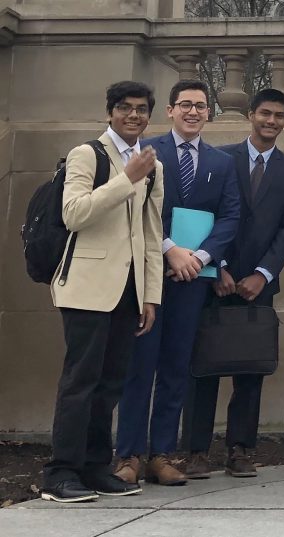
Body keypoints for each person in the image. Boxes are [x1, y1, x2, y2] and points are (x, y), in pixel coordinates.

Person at [40, 81, 163, 502]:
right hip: (86, 290)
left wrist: (150, 295)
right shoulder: (86, 154)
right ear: (110, 112)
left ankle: (94, 467)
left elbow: (151, 234)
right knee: (81, 382)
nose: (134, 115)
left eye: (141, 109)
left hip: (128, 294)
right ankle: (60, 472)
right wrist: (125, 179)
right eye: (125, 108)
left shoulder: (152, 164)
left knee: (111, 384)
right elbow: (74, 214)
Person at [115, 79, 240, 486]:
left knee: (175, 367)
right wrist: (170, 249)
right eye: (185, 104)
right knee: (140, 364)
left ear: (209, 114)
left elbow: (230, 217)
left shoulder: (222, 163)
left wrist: (200, 257)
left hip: (193, 280)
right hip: (149, 275)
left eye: (200, 106)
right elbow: (135, 209)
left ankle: (162, 455)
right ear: (170, 110)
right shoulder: (148, 152)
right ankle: (128, 454)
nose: (192, 112)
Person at [183, 89, 284, 480]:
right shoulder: (219, 159)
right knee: (202, 370)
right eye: (265, 113)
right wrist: (214, 266)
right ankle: (196, 451)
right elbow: (204, 215)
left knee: (249, 372)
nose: (271, 121)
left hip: (259, 285)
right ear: (250, 114)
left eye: (279, 116)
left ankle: (241, 449)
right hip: (213, 280)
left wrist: (264, 273)